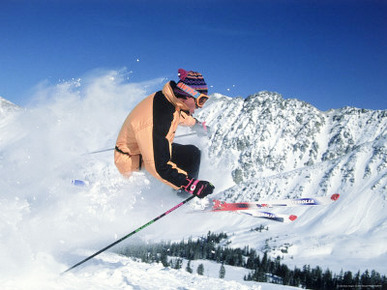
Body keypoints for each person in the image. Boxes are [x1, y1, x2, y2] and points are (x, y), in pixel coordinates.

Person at [114, 69, 215, 199]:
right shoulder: (159, 117)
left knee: (192, 153)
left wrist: (196, 125)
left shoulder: (169, 101)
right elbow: (157, 166)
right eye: (201, 100)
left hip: (142, 150)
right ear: (188, 94)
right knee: (169, 163)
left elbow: (180, 116)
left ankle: (182, 193)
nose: (200, 106)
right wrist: (190, 184)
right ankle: (183, 195)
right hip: (132, 161)